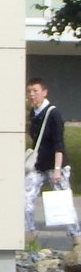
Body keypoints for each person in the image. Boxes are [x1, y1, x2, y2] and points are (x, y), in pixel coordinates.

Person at [25, 78, 81, 246]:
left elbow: (59, 143)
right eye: (29, 91)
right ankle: (29, 233)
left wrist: (57, 169)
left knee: (64, 203)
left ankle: (76, 236)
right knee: (25, 197)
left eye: (35, 91)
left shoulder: (53, 113)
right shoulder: (33, 113)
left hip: (56, 166)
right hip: (38, 165)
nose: (32, 95)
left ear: (44, 92)